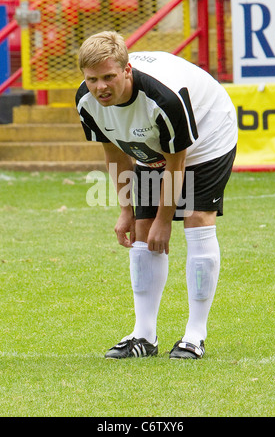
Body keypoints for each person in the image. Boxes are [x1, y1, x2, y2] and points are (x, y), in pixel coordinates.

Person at [76, 31, 238, 359]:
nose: (100, 87)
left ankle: (194, 336)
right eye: (92, 79)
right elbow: (115, 155)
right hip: (150, 142)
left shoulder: (163, 98)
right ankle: (144, 336)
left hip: (207, 133)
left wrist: (165, 221)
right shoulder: (87, 101)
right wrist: (126, 211)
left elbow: (176, 163)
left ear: (127, 70)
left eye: (109, 77)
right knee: (140, 227)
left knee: (195, 219)